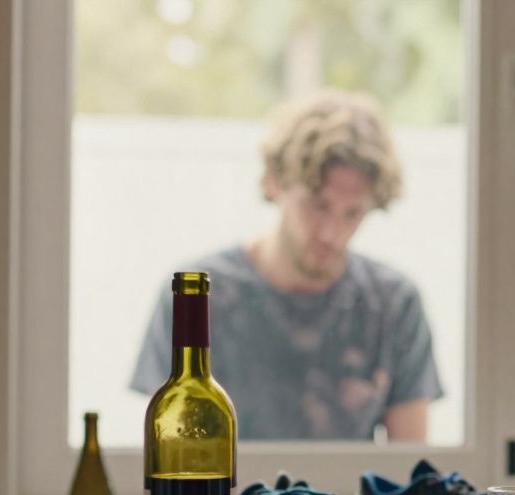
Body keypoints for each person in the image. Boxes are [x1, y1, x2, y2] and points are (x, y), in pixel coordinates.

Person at [130, 90, 443, 441]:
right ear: (274, 183)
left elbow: (411, 466)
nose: (330, 232)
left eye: (352, 213)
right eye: (317, 205)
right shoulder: (199, 297)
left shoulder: (393, 302)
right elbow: (168, 452)